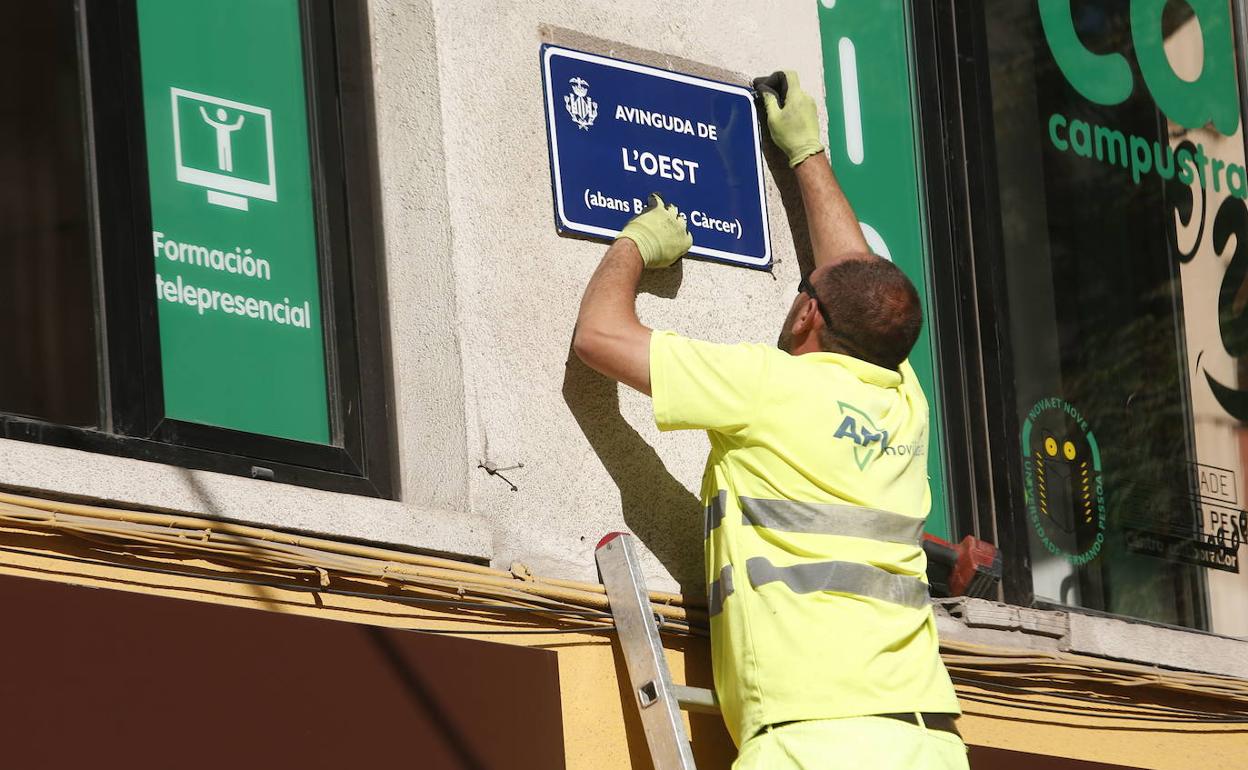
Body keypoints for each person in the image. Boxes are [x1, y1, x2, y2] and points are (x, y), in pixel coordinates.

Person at [572, 70, 968, 769]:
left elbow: (600, 337)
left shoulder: (767, 387)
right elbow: (855, 276)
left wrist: (635, 242)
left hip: (812, 745)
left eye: (803, 290)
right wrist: (806, 153)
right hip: (927, 743)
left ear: (809, 313)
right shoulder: (904, 400)